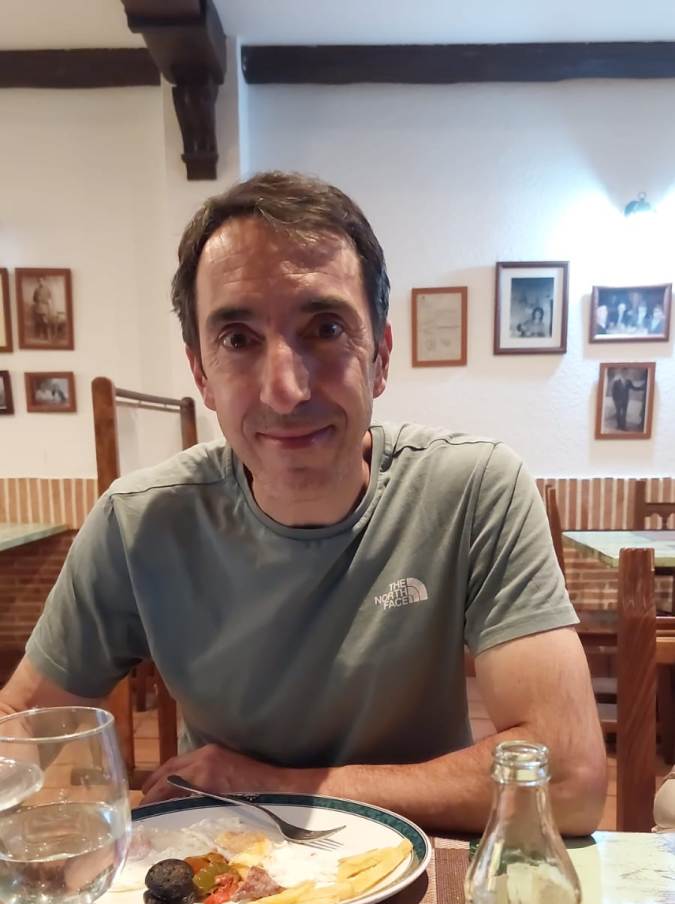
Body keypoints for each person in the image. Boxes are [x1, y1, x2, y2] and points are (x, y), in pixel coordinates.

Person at [0, 172, 606, 835]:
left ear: (379, 357)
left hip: (425, 866)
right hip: (221, 866)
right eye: (238, 339)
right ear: (201, 373)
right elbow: (19, 727)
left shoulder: (475, 490)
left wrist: (269, 785)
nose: (285, 390)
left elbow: (568, 780)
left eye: (325, 328)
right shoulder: (137, 522)